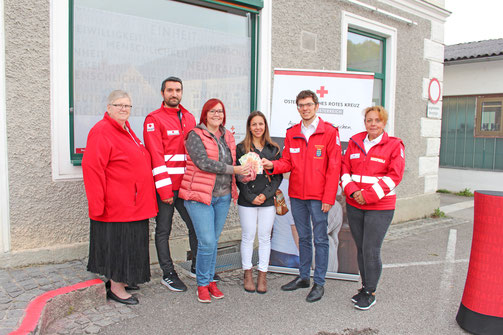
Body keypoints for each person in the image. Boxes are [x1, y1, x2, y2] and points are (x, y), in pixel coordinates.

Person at [262, 90, 341, 303]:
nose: (305, 108)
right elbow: (287, 162)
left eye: (308, 104)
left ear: (316, 106)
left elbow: (334, 168)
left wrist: (328, 198)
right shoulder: (292, 132)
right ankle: (304, 277)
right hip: (297, 195)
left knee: (321, 239)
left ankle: (320, 283)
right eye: (301, 105)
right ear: (297, 108)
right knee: (304, 238)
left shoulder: (330, 132)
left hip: (318, 197)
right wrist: (272, 165)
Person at [82, 90, 157, 305]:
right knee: (119, 245)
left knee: (131, 243)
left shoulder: (127, 130)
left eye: (127, 105)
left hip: (134, 203)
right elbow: (92, 168)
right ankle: (116, 286)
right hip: (117, 205)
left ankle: (124, 279)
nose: (124, 109)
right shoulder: (102, 131)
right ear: (108, 108)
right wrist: (97, 205)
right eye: (119, 105)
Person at [179, 98, 250, 303]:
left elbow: (233, 162)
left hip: (222, 197)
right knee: (207, 242)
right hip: (199, 196)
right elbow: (203, 163)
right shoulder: (195, 135)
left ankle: (210, 280)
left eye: (220, 111)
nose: (217, 115)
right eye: (212, 111)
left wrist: (242, 175)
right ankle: (202, 284)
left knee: (213, 242)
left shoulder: (227, 135)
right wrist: (233, 170)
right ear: (205, 114)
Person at [341, 105, 405, 310]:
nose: (373, 124)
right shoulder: (355, 142)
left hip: (380, 206)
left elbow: (394, 176)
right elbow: (344, 169)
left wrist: (366, 196)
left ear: (384, 123)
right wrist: (352, 191)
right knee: (360, 247)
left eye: (377, 120)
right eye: (369, 120)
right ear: (365, 123)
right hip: (354, 204)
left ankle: (371, 292)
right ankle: (364, 287)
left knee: (371, 248)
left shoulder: (394, 145)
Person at [143, 77, 198, 293]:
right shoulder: (153, 119)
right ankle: (168, 273)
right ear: (162, 93)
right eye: (170, 90)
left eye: (178, 90)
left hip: (186, 187)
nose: (174, 94)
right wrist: (165, 190)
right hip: (166, 188)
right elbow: (156, 157)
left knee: (195, 226)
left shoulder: (190, 118)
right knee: (163, 230)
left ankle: (197, 266)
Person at [236, 111, 282, 294]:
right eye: (254, 124)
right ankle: (247, 273)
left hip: (267, 200)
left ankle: (262, 274)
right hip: (247, 200)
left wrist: (266, 195)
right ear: (249, 127)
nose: (257, 128)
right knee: (248, 236)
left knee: (264, 237)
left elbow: (278, 176)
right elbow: (238, 176)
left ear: (265, 126)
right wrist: (249, 196)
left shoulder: (274, 149)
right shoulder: (241, 148)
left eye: (260, 124)